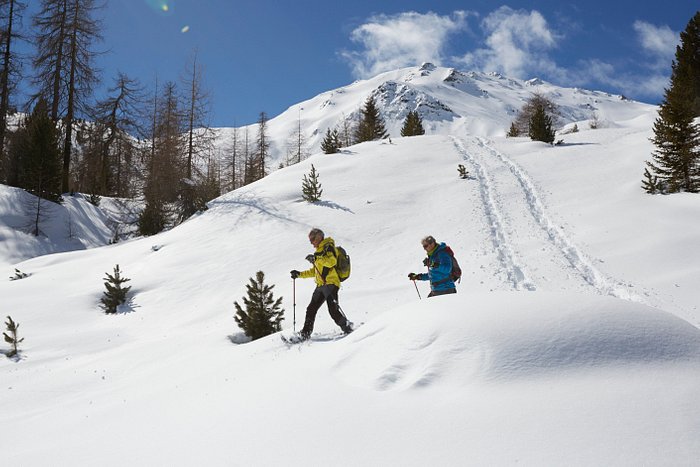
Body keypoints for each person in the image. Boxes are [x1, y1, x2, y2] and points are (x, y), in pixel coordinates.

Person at [290, 228, 353, 340]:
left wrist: (317, 258)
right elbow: (315, 272)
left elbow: (331, 262)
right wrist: (299, 274)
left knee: (332, 310)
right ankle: (305, 334)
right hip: (321, 285)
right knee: (311, 309)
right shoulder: (319, 251)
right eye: (310, 240)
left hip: (331, 283)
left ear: (319, 237)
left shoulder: (328, 246)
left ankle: (347, 327)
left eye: (312, 239)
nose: (311, 242)